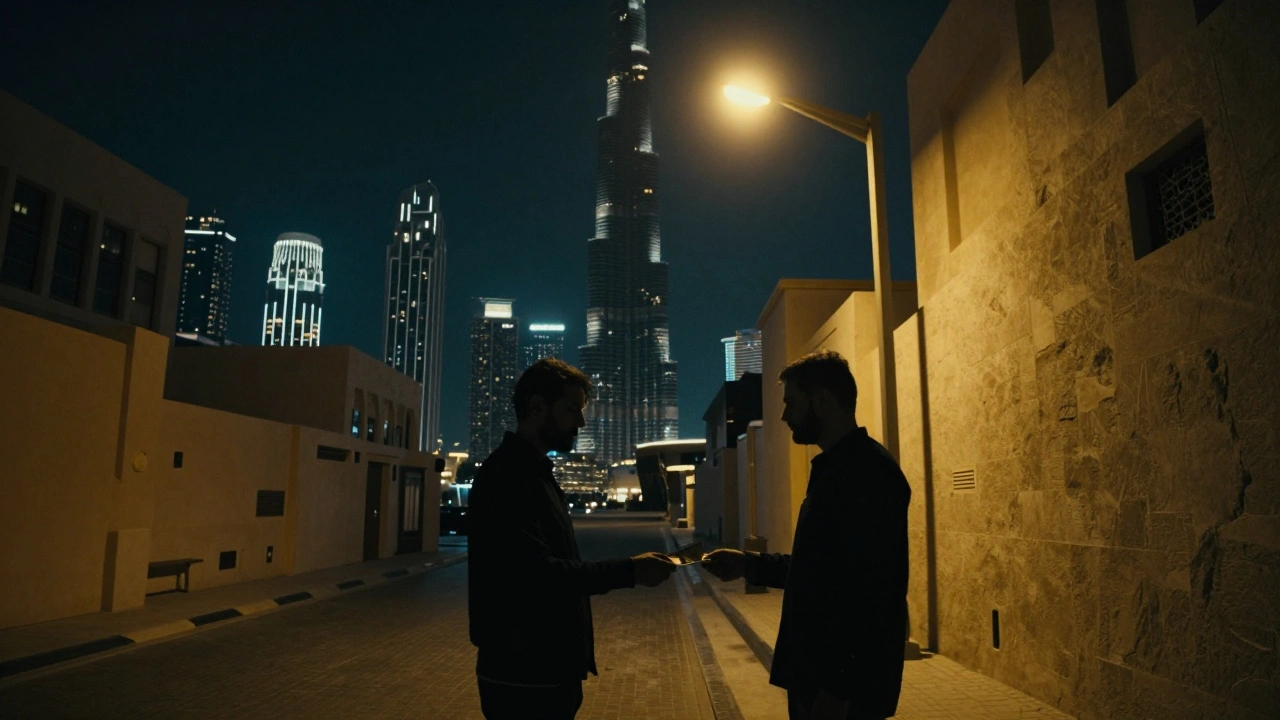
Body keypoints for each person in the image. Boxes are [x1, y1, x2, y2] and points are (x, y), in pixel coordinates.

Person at [705, 350, 911, 720]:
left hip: (841, 691)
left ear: (823, 400)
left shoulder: (868, 474)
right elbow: (819, 569)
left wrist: (839, 689)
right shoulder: (835, 468)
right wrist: (748, 565)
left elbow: (872, 591)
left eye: (791, 402)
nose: (784, 416)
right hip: (816, 676)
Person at [467, 358, 678, 720]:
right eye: (572, 409)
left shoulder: (535, 473)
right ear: (537, 406)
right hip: (523, 676)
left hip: (545, 670)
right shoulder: (507, 477)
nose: (581, 422)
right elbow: (539, 575)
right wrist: (630, 571)